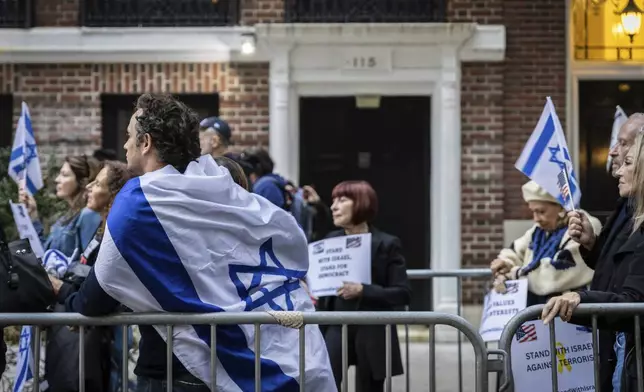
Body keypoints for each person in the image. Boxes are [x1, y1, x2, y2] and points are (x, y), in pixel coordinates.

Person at [58, 93, 335, 392]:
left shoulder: (139, 202)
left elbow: (97, 295)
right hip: (210, 364)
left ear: (146, 142)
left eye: (129, 137)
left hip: (176, 371)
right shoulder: (218, 185)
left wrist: (60, 290)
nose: (125, 145)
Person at [543, 134, 644, 392]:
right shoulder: (632, 216)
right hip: (623, 349)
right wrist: (592, 243)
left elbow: (635, 299)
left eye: (628, 163)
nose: (618, 170)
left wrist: (581, 299)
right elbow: (624, 270)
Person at [316, 180, 411, 392]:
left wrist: (364, 290)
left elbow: (402, 293)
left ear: (360, 203)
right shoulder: (329, 241)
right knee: (326, 382)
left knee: (369, 387)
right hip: (335, 325)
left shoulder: (387, 243)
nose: (334, 207)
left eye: (342, 200)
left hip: (372, 329)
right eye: (333, 201)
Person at [490, 181, 601, 306]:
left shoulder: (583, 227)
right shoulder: (539, 231)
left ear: (561, 207)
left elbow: (551, 277)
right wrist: (505, 262)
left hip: (574, 317)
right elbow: (515, 250)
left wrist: (513, 274)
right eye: (533, 212)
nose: (536, 219)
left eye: (541, 212)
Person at [20, 155, 103, 257]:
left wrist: (60, 268)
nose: (57, 179)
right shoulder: (66, 218)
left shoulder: (88, 215)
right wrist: (33, 216)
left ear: (82, 181)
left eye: (64, 175)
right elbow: (44, 254)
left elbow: (86, 262)